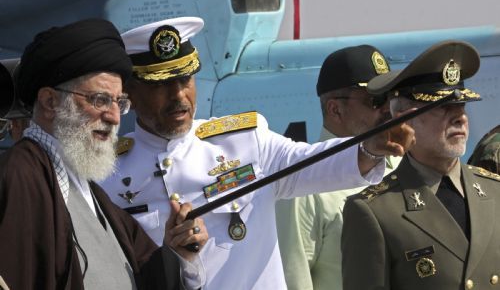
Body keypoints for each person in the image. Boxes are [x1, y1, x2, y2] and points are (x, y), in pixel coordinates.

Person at [100, 17, 415, 290]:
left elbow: (314, 162)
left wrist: (369, 148)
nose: (179, 95)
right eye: (161, 84)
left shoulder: (245, 142)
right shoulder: (104, 175)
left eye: (186, 79)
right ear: (130, 91)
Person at [0, 18, 208, 290]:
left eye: (119, 102)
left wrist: (179, 252)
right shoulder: (20, 177)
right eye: (99, 100)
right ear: (51, 101)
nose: (113, 117)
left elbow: (147, 278)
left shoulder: (93, 193)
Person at [341, 40, 500, 290]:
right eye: (443, 107)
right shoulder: (375, 211)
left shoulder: (494, 191)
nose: (459, 117)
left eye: (461, 105)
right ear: (405, 120)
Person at [276, 45, 401, 290]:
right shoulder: (304, 186)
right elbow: (293, 280)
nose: (388, 109)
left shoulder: (402, 166)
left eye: (391, 97)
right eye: (375, 100)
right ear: (335, 109)